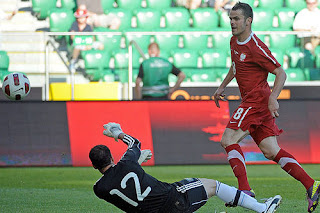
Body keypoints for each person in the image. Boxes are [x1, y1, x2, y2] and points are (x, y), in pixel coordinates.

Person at [213, 2, 320, 212]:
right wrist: (222, 86)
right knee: (271, 151)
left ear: (248, 21)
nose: (232, 22)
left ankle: (245, 190)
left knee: (228, 139)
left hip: (257, 100)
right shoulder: (234, 41)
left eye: (236, 19)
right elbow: (235, 66)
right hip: (254, 101)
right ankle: (311, 184)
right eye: (230, 19)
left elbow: (281, 72)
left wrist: (273, 98)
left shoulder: (256, 46)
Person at [89, 122, 282, 213]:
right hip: (172, 199)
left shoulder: (99, 189)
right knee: (214, 186)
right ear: (112, 156)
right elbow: (135, 143)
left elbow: (119, 179)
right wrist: (118, 133)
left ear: (93, 166)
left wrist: (135, 165)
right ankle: (263, 209)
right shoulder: (127, 163)